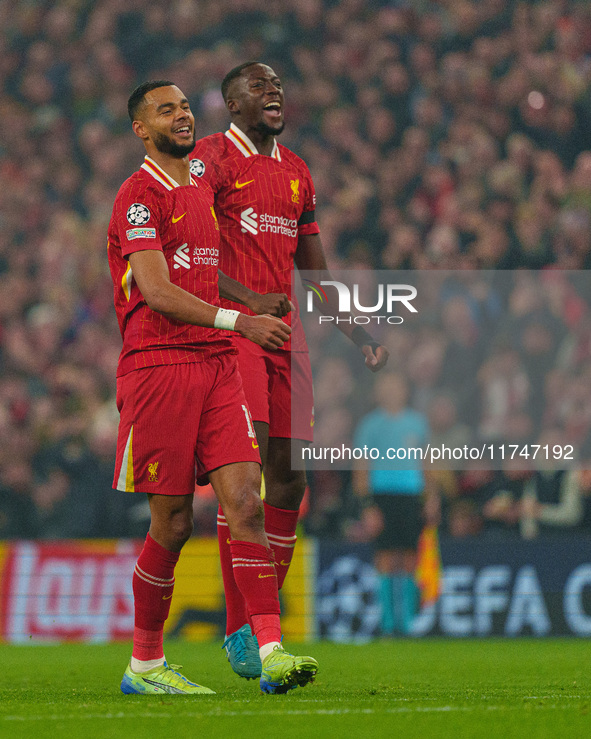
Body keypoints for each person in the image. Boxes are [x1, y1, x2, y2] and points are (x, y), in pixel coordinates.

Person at [108, 80, 318, 695]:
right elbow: (158, 291)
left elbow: (210, 279)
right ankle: (145, 664)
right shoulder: (138, 197)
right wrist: (244, 319)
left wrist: (247, 304)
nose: (180, 115)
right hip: (159, 366)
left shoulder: (202, 187)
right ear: (141, 130)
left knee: (246, 501)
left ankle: (270, 649)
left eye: (182, 106)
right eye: (163, 110)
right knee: (172, 524)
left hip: (218, 361)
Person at [191, 62, 388, 678]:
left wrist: (355, 326)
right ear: (230, 104)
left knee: (291, 482)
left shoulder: (298, 171)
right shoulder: (211, 160)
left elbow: (317, 274)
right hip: (235, 334)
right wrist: (246, 302)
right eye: (258, 86)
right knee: (243, 482)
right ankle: (247, 630)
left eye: (278, 85)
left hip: (288, 338)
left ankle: (254, 620)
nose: (273, 92)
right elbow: (189, 254)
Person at [352, 372, 438, 635]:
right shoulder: (370, 425)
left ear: (405, 390)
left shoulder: (417, 423)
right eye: (386, 386)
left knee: (411, 557)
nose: (391, 391)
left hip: (411, 496)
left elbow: (427, 463)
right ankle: (388, 623)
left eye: (396, 385)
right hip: (383, 497)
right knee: (386, 557)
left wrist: (431, 496)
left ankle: (408, 622)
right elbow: (361, 468)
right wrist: (367, 505)